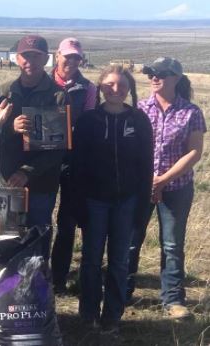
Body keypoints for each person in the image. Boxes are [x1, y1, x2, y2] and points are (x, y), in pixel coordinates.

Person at [73, 65, 153, 334]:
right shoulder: (87, 121)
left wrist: (142, 207)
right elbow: (78, 166)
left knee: (119, 261)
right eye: (109, 84)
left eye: (121, 85)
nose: (115, 89)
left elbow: (146, 167)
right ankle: (88, 313)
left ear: (129, 88)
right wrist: (78, 206)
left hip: (126, 202)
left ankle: (113, 315)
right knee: (92, 259)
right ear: (100, 87)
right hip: (94, 201)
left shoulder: (139, 120)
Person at [127, 57, 205, 319]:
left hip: (177, 189)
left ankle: (172, 300)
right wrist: (147, 179)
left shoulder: (191, 112)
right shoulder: (139, 109)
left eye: (161, 74)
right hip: (141, 187)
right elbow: (133, 150)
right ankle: (122, 292)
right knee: (130, 241)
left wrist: (164, 179)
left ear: (176, 79)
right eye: (151, 74)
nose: (154, 78)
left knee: (172, 245)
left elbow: (194, 152)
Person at [0, 35, 65, 258]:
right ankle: (5, 290)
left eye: (36, 56)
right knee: (6, 238)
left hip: (41, 184)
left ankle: (37, 289)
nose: (30, 62)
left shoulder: (58, 96)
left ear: (46, 59)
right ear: (17, 58)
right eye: (25, 56)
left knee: (37, 241)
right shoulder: (2, 92)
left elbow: (59, 148)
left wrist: (27, 172)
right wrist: (9, 129)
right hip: (7, 182)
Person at [49, 37, 98, 293]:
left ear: (81, 60)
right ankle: (34, 272)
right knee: (38, 218)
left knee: (66, 222)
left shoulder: (88, 88)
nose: (70, 61)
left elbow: (89, 125)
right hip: (43, 161)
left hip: (73, 162)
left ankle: (57, 277)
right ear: (57, 56)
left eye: (76, 57)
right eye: (67, 56)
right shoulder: (43, 82)